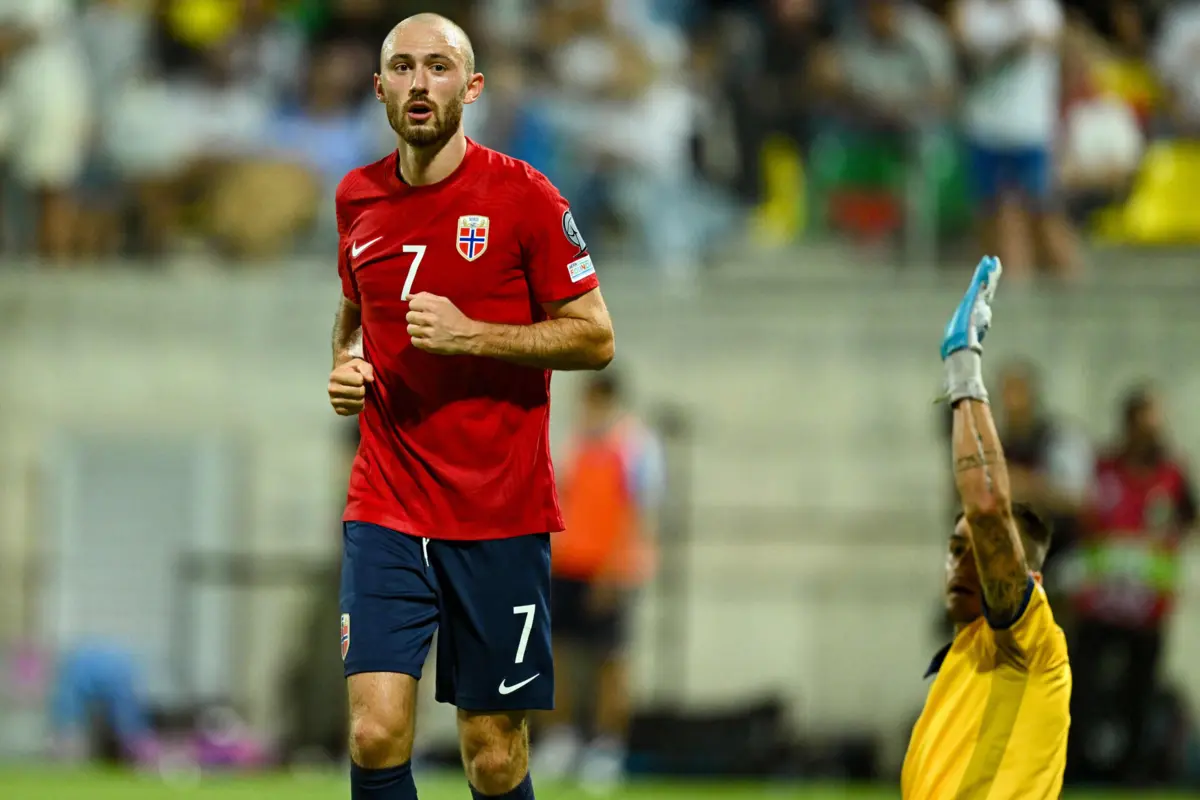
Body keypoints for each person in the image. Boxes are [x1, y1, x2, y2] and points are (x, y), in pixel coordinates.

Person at [325, 14, 615, 800]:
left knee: (491, 753)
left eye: (440, 68)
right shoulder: (356, 199)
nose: (422, 84)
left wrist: (473, 335)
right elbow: (353, 312)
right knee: (375, 729)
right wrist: (345, 364)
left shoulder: (524, 196)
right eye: (405, 69)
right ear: (380, 87)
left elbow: (595, 339)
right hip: (386, 502)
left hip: (498, 512)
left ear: (472, 86)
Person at [902, 256, 1071, 799]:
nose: (957, 563)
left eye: (971, 549)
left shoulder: (1027, 641)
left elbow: (987, 506)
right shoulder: (963, 655)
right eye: (954, 549)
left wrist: (963, 370)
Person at [533, 372, 664, 793]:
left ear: (608, 400)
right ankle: (560, 739)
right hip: (568, 565)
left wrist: (615, 570)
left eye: (592, 402)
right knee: (558, 655)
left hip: (612, 569)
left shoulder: (636, 447)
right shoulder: (574, 443)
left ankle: (607, 748)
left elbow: (640, 515)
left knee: (610, 661)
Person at [1066, 384, 1196, 785]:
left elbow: (1187, 521)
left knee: (1138, 695)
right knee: (1082, 689)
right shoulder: (1103, 469)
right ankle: (1074, 769)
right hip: (1099, 605)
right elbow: (1081, 522)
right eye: (1146, 419)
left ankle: (1134, 775)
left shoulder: (1173, 475)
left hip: (1146, 609)